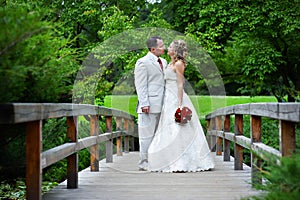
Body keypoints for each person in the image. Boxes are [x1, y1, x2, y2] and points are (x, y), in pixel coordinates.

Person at [147, 40, 215, 172]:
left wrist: (179, 104)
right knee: (168, 129)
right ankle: (169, 158)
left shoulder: (179, 64)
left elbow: (180, 84)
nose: (168, 48)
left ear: (176, 50)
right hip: (167, 98)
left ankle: (182, 161)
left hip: (176, 98)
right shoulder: (169, 63)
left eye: (171, 47)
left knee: (179, 128)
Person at [134, 36, 167, 171]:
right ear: (153, 49)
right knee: (146, 136)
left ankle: (156, 161)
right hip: (149, 105)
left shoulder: (164, 62)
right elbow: (140, 85)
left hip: (163, 104)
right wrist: (144, 103)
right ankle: (144, 163)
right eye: (161, 46)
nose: (164, 48)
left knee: (160, 136)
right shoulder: (142, 62)